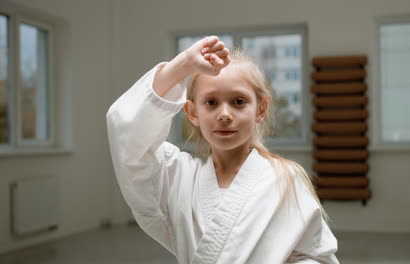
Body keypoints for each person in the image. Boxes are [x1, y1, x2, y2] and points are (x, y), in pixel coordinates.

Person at [106, 36, 339, 264]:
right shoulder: (177, 176)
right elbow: (127, 132)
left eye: (238, 101)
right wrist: (183, 65)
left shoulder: (286, 178)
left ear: (261, 109)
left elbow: (315, 255)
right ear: (192, 112)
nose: (225, 114)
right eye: (211, 102)